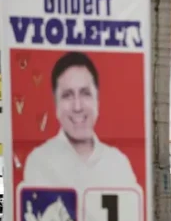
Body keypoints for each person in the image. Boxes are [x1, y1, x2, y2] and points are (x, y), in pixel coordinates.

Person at [21, 52, 137, 190]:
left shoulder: (118, 163)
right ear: (56, 103)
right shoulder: (39, 161)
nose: (77, 107)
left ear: (97, 99)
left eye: (85, 93)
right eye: (67, 95)